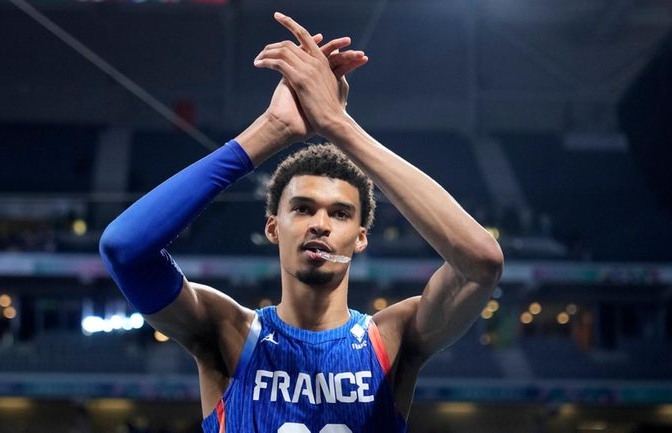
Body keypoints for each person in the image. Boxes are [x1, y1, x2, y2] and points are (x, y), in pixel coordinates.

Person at [99, 12, 503, 433]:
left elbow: (482, 261)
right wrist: (271, 130)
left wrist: (339, 126)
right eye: (303, 208)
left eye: (341, 213)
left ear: (361, 237)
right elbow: (124, 250)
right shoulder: (228, 332)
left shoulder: (393, 339)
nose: (320, 224)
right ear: (274, 227)